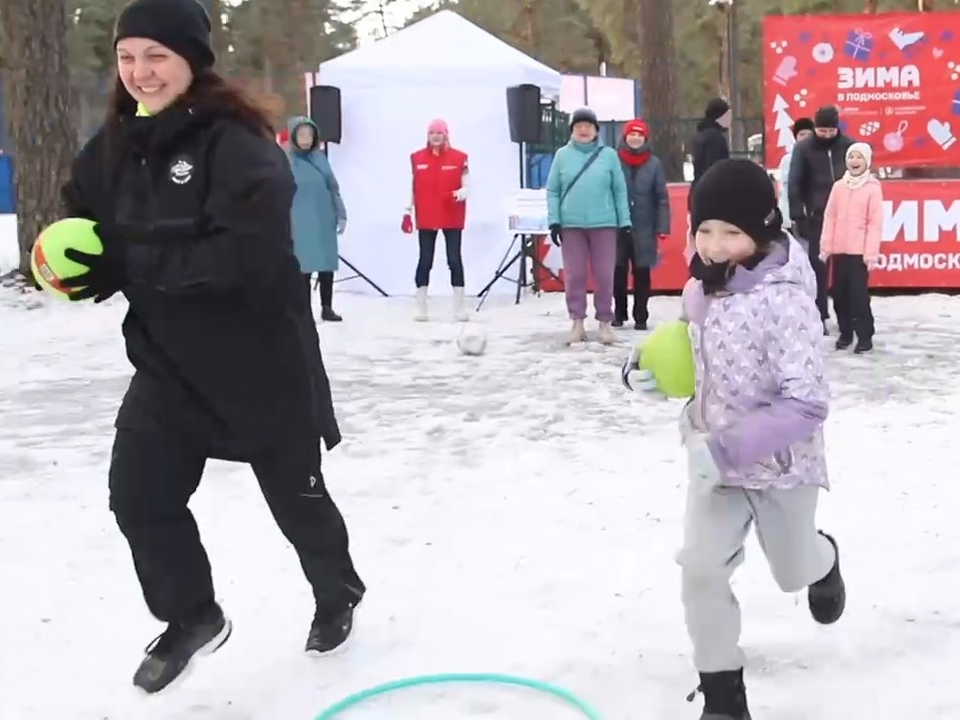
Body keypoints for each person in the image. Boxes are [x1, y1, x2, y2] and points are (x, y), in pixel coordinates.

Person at [57, 0, 364, 694]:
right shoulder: (112, 145)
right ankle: (191, 613)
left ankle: (337, 591)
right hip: (168, 367)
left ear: (192, 59)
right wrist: (77, 262)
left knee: (298, 502)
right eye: (127, 56)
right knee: (137, 497)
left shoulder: (237, 146)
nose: (140, 72)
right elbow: (81, 213)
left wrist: (129, 268)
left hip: (260, 364)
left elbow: (246, 257)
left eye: (156, 56)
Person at [625, 159, 845, 719]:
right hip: (712, 464)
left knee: (791, 571)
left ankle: (824, 560)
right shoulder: (701, 284)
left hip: (781, 469)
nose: (714, 245)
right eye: (703, 230)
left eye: (730, 232)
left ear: (764, 229)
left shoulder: (787, 301)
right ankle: (723, 694)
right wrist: (644, 368)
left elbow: (807, 401)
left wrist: (726, 450)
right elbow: (690, 348)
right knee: (699, 568)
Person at [546, 107, 631, 346]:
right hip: (571, 225)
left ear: (596, 130)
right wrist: (554, 220)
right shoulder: (562, 155)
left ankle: (605, 322)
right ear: (572, 130)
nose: (584, 130)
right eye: (579, 126)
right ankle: (577, 322)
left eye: (588, 126)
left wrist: (624, 222)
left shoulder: (609, 156)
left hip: (604, 223)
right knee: (575, 275)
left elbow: (619, 190)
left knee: (605, 275)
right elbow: (552, 190)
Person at [788, 106, 855, 332]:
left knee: (845, 268)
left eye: (830, 130)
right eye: (822, 130)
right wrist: (798, 214)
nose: (826, 135)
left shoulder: (849, 147)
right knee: (818, 267)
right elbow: (794, 182)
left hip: (846, 216)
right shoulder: (803, 148)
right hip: (816, 216)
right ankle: (820, 314)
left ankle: (847, 316)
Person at [404, 118, 470, 322]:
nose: (435, 136)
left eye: (439, 133)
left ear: (446, 135)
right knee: (425, 260)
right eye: (432, 132)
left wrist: (457, 195)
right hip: (426, 215)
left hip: (451, 214)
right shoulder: (417, 158)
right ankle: (421, 307)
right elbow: (413, 187)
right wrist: (408, 211)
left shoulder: (460, 158)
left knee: (454, 259)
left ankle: (459, 306)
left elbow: (466, 187)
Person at [820, 142, 882, 354]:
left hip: (859, 253)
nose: (854, 161)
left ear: (867, 161)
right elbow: (830, 216)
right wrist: (826, 245)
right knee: (839, 295)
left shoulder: (872, 188)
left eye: (859, 157)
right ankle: (846, 333)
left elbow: (875, 223)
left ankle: (865, 336)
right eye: (851, 157)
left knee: (858, 297)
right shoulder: (839, 187)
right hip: (839, 250)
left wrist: (870, 253)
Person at [287, 115, 347, 322]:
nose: (306, 138)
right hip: (299, 219)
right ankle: (305, 310)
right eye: (302, 134)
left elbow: (333, 188)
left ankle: (327, 307)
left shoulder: (320, 158)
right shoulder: (287, 161)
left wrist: (341, 214)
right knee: (304, 265)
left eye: (309, 134)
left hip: (324, 217)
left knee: (326, 263)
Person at [614, 119, 670, 330]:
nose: (635, 138)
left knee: (642, 273)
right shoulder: (614, 160)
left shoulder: (654, 164)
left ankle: (641, 316)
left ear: (645, 139)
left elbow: (661, 197)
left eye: (639, 135)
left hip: (644, 227)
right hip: (617, 226)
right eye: (632, 134)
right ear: (625, 137)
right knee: (617, 271)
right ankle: (619, 314)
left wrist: (662, 226)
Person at [777, 117, 814, 233]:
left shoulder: (818, 157)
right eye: (802, 134)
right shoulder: (788, 160)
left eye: (809, 134)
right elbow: (786, 188)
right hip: (793, 215)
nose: (805, 138)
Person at [690, 98, 731, 190]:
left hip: (698, 188)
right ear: (719, 116)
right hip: (712, 191)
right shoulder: (715, 138)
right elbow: (716, 168)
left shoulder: (700, 134)